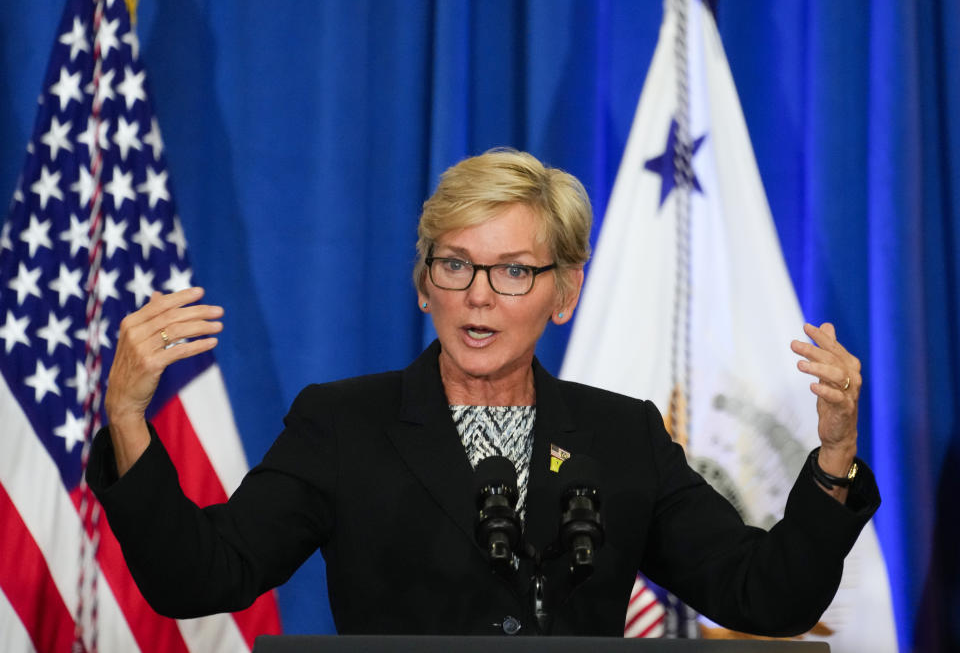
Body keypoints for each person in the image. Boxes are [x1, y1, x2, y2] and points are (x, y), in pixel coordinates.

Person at [88, 148, 879, 637]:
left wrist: (835, 456)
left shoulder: (621, 436)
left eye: (513, 271)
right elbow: (201, 576)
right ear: (424, 283)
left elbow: (765, 595)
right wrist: (127, 417)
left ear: (563, 293)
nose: (479, 294)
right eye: (455, 263)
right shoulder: (343, 424)